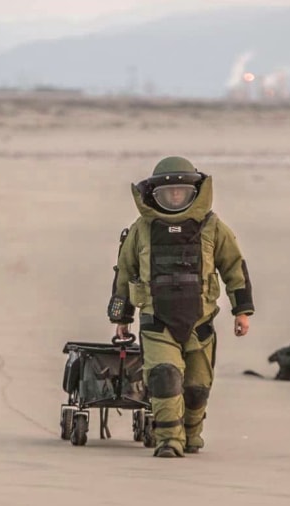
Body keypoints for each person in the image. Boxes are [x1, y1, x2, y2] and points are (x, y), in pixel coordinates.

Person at [107, 156, 255, 458]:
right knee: (164, 376)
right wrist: (122, 317)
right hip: (156, 320)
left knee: (197, 387)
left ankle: (190, 435)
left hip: (199, 322)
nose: (175, 198)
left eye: (182, 192)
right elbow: (124, 272)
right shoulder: (141, 229)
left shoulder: (213, 227)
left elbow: (234, 269)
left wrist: (242, 311)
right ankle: (167, 441)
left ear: (194, 192)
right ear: (154, 194)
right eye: (168, 194)